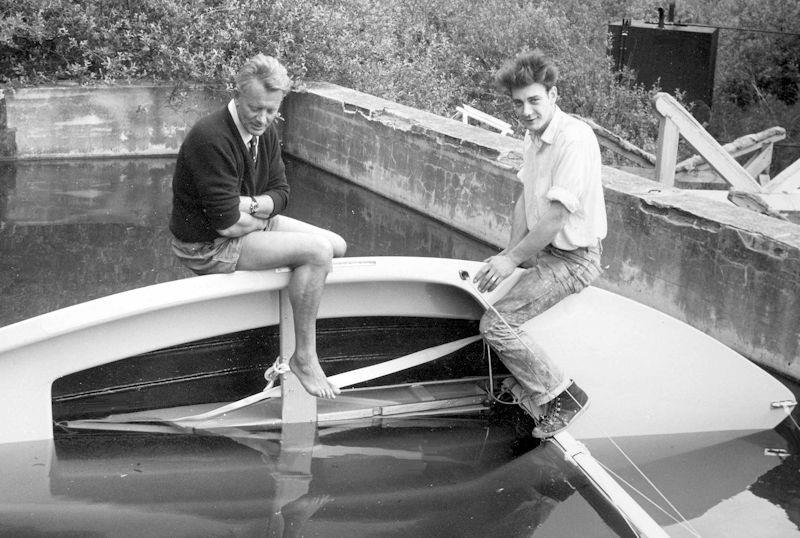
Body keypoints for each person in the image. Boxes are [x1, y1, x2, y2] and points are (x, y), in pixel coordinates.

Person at [169, 53, 346, 399]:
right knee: (317, 252)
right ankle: (304, 358)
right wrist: (255, 214)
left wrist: (251, 205)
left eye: (271, 110)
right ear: (236, 97)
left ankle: (292, 290)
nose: (263, 119)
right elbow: (226, 225)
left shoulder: (264, 130)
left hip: (244, 223)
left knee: (336, 244)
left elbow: (281, 194)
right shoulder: (211, 137)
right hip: (206, 246)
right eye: (256, 109)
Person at [474, 50, 607, 438]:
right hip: (546, 253)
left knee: (496, 325)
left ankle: (564, 395)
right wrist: (507, 255)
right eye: (518, 103)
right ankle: (520, 385)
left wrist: (514, 259)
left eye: (534, 100)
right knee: (482, 290)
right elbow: (525, 199)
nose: (526, 111)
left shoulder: (574, 139)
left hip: (574, 260)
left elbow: (555, 217)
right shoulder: (534, 137)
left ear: (552, 94)